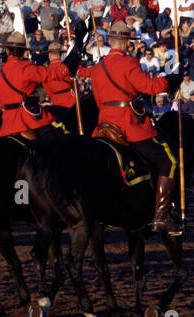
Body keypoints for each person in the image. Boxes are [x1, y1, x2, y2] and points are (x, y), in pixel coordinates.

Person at [76, 20, 181, 233]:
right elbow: (149, 87)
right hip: (130, 126)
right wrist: (170, 80)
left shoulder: (98, 68)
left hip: (104, 124)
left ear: (111, 40)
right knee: (168, 159)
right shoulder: (129, 63)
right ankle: (161, 216)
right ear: (126, 42)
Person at [0, 32, 61, 136]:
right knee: (58, 136)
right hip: (28, 117)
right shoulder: (27, 67)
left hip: (7, 122)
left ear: (6, 51)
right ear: (24, 52)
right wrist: (67, 67)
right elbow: (50, 75)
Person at [43, 41, 77, 110]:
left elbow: (47, 90)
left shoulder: (45, 71)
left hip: (56, 102)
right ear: (61, 54)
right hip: (72, 100)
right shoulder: (68, 67)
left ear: (49, 54)